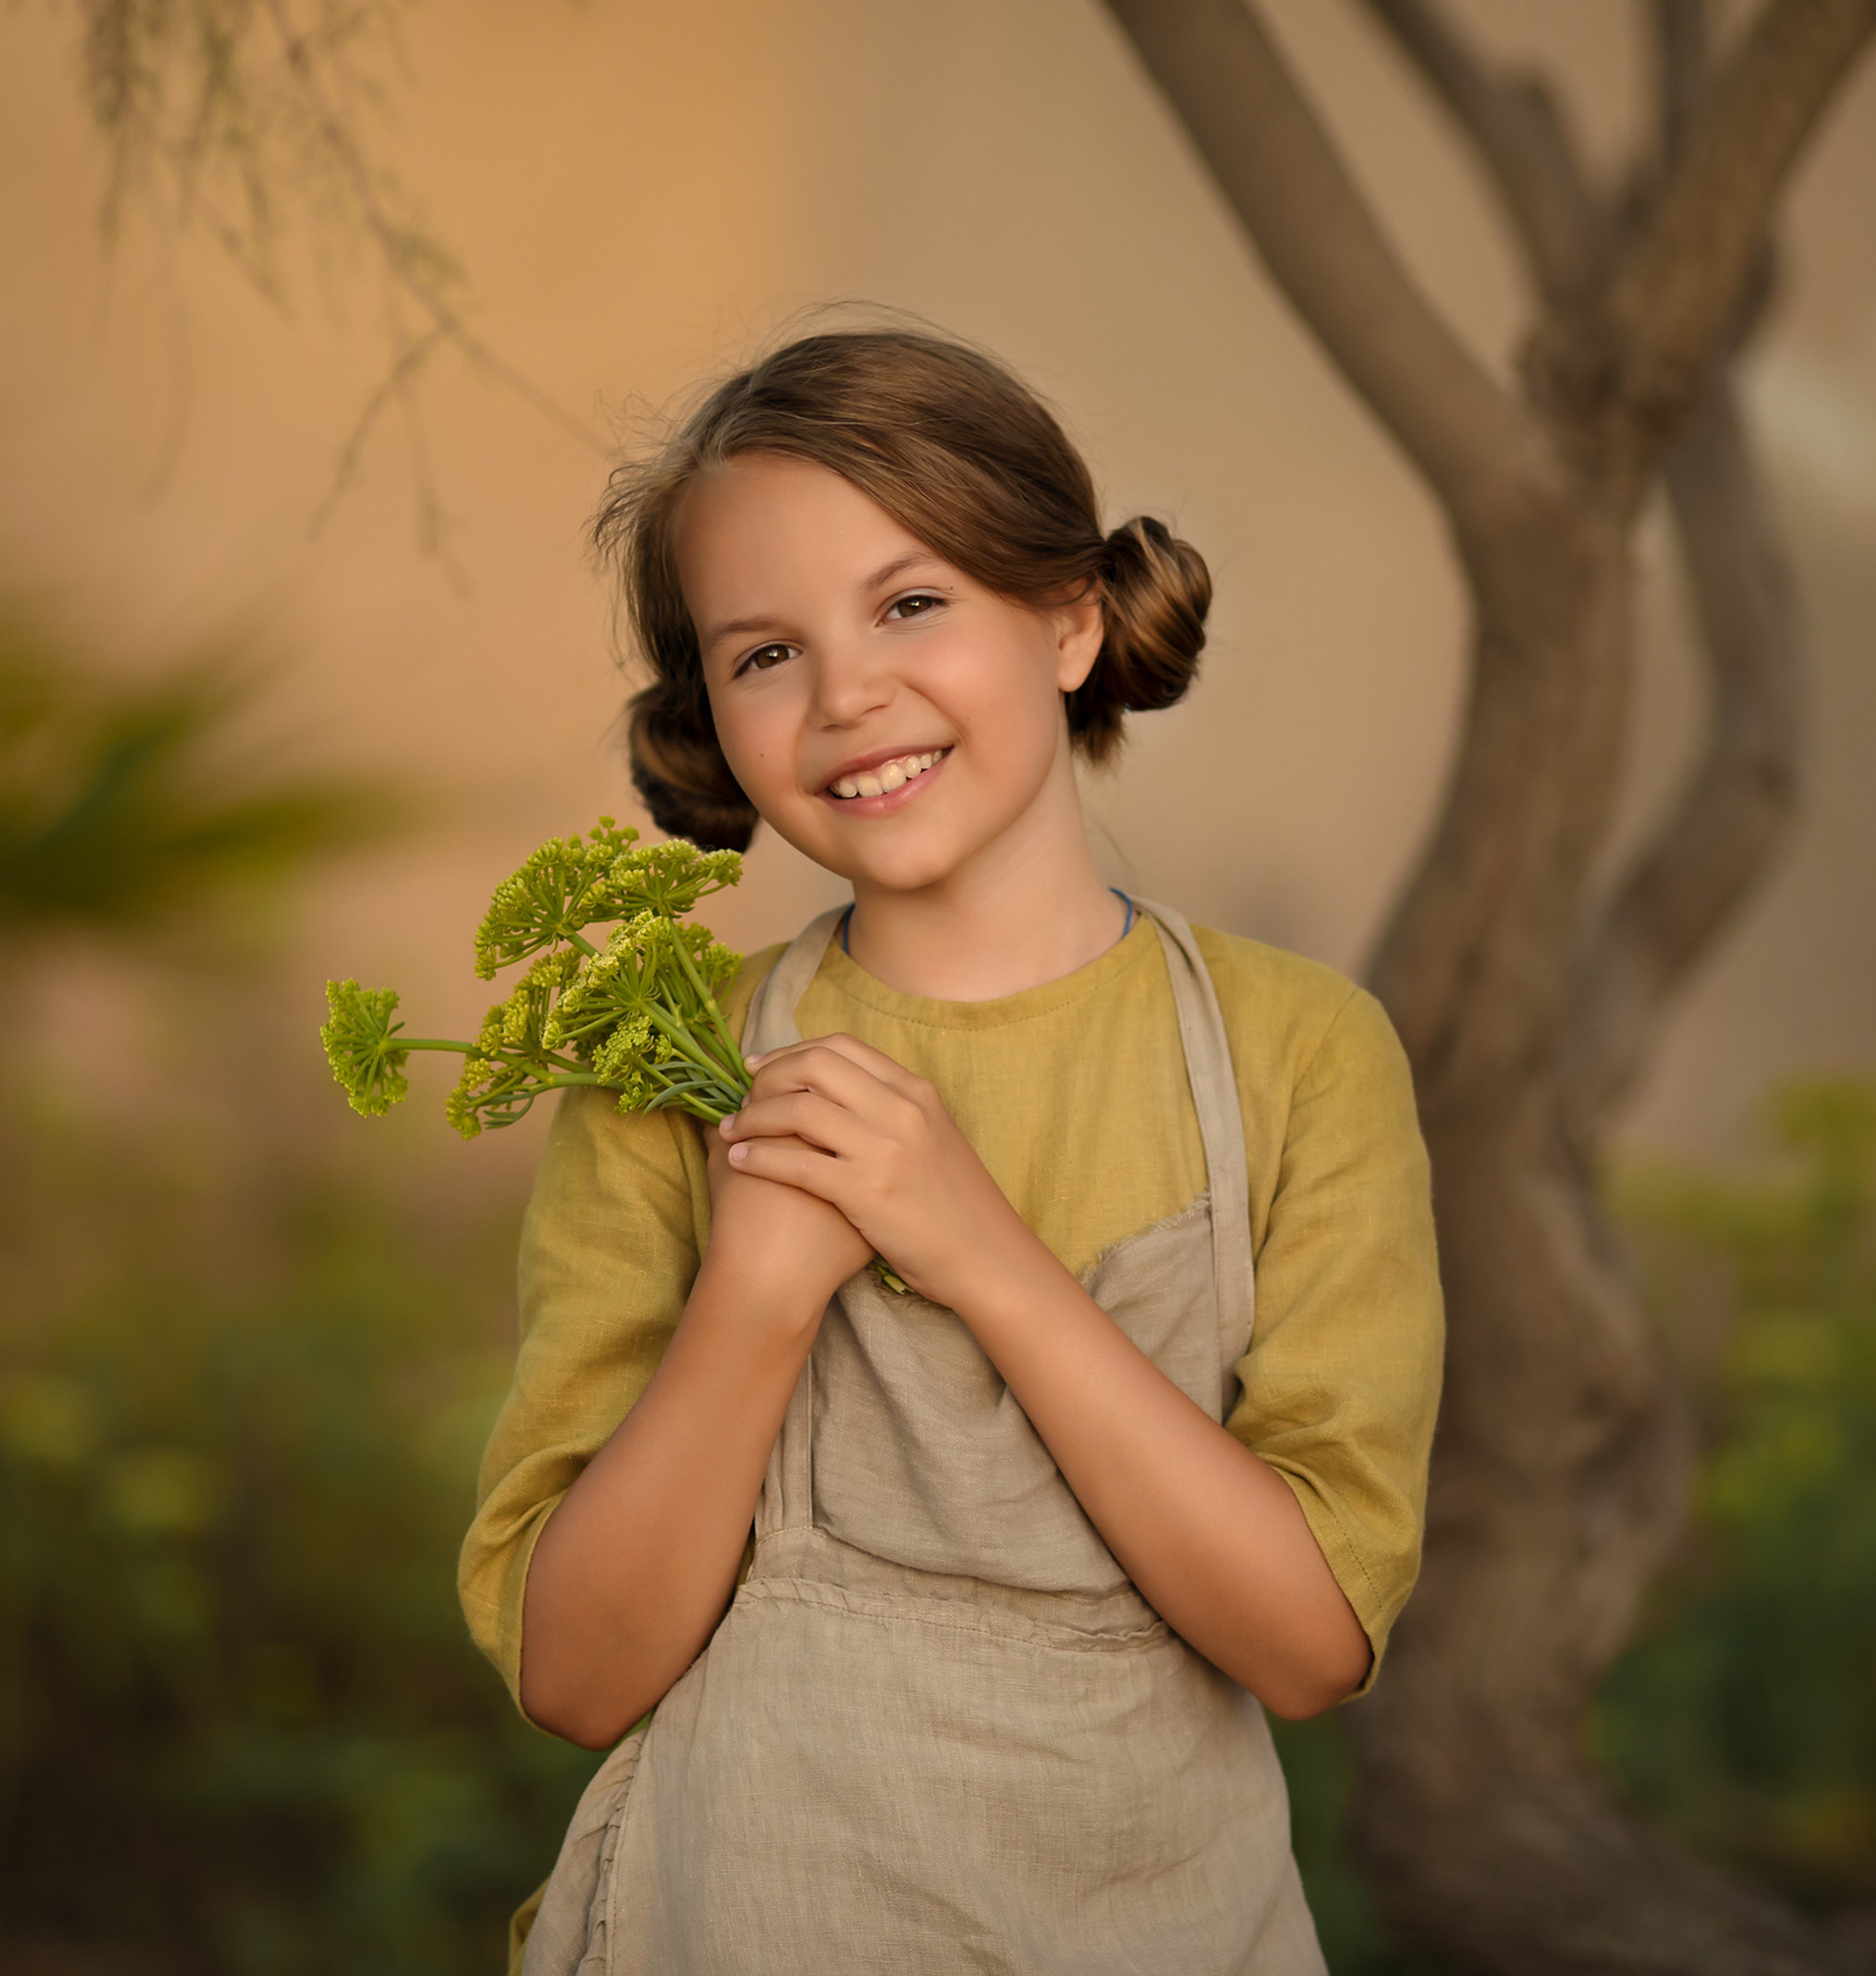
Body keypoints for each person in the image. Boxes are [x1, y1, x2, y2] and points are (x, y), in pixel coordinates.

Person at [459, 328, 1444, 1975]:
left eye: (909, 604)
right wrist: (759, 1292)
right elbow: (575, 1674)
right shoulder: (662, 1066)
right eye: (762, 652)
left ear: (1067, 618)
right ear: (709, 710)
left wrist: (973, 1246)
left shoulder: (1297, 1050)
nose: (846, 694)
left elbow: (1306, 1640)